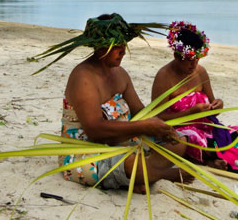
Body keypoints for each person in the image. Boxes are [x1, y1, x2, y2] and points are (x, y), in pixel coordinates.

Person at [33, 13, 193, 191]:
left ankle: (146, 173)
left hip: (123, 144)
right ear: (101, 48)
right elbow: (95, 130)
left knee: (179, 143)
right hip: (86, 152)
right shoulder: (83, 78)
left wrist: (162, 127)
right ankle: (160, 174)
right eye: (117, 46)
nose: (123, 50)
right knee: (130, 164)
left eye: (123, 44)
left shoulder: (120, 74)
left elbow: (139, 111)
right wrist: (144, 127)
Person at [152, 21, 238, 179]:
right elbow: (158, 118)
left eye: (197, 59)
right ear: (177, 56)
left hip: (208, 128)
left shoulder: (200, 72)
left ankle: (214, 158)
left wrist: (218, 104)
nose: (194, 64)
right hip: (182, 131)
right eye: (190, 60)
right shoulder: (164, 77)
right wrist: (190, 113)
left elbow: (214, 107)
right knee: (190, 140)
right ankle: (212, 159)